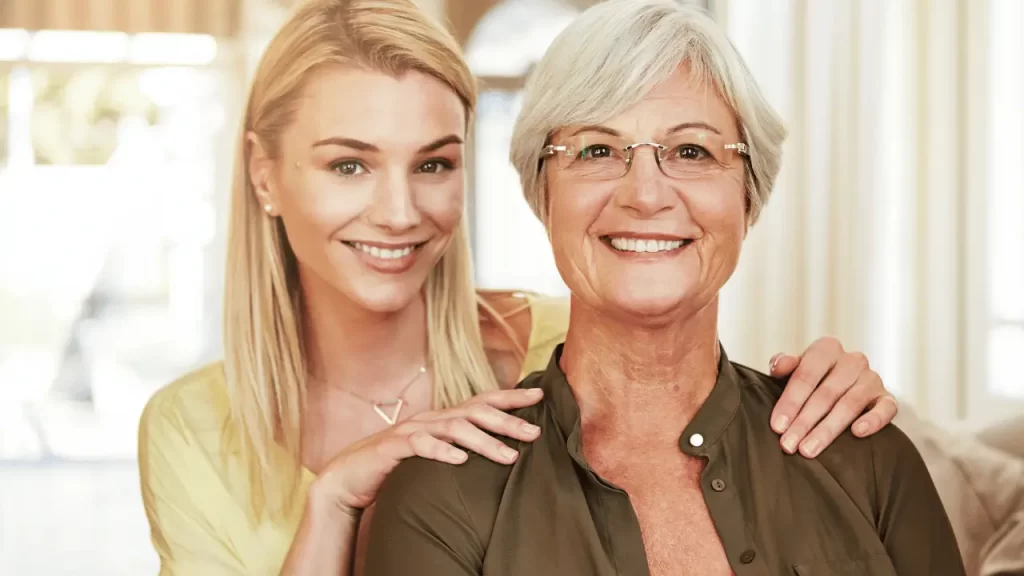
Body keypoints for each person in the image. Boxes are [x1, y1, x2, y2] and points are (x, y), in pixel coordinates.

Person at [137, 0, 900, 574]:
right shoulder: (193, 431)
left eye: (434, 163)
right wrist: (331, 503)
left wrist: (841, 387)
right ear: (263, 173)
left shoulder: (568, 337)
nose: (400, 212)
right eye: (349, 165)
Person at [362, 1, 963, 575]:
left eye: (692, 151)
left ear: (749, 197)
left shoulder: (869, 461)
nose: (645, 194)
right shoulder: (441, 498)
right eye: (597, 149)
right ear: (542, 196)